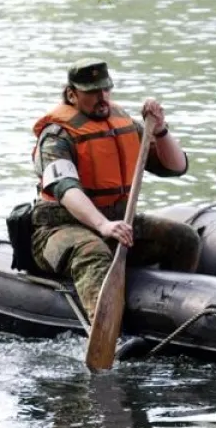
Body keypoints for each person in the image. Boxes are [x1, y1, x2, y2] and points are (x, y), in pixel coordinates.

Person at [29, 59, 201, 349]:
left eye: (106, 90)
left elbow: (176, 166)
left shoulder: (124, 125)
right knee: (93, 252)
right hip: (61, 227)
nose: (102, 98)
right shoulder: (57, 136)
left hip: (118, 221)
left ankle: (172, 321)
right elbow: (65, 189)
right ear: (72, 95)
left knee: (184, 239)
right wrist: (102, 225)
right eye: (93, 92)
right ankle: (111, 339)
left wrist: (159, 130)